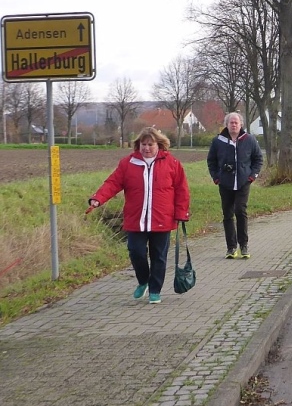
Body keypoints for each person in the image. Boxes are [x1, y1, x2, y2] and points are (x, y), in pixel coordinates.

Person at [88, 127, 190, 305]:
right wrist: (98, 199)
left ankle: (155, 290)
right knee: (136, 252)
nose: (147, 148)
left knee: (159, 256)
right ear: (138, 145)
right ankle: (143, 280)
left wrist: (181, 212)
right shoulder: (128, 163)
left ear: (158, 145)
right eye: (144, 144)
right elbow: (112, 183)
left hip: (162, 218)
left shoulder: (172, 163)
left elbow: (182, 190)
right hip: (136, 219)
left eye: (150, 144)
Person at [207, 112, 264, 259]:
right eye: (231, 122)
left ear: (241, 124)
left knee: (240, 210)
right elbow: (211, 161)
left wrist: (252, 176)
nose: (233, 125)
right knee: (227, 214)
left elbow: (258, 159)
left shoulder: (249, 140)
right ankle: (231, 248)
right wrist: (216, 177)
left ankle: (243, 245)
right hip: (225, 183)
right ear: (226, 124)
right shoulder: (218, 141)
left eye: (236, 122)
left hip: (243, 182)